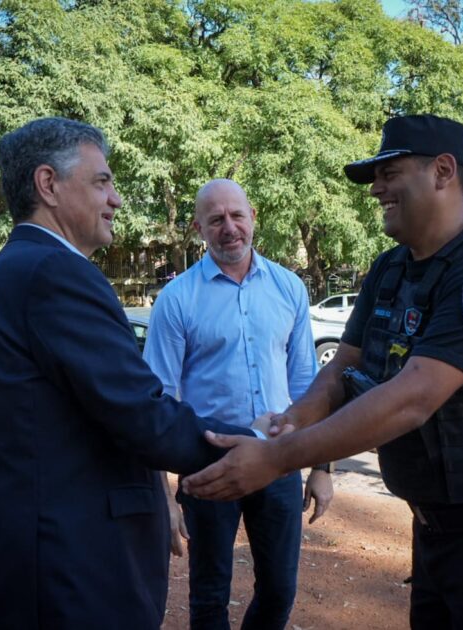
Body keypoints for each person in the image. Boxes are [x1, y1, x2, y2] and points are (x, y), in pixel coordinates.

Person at [182, 115, 463, 629]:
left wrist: (278, 458)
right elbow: (346, 367)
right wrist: (287, 423)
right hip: (435, 528)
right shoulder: (391, 270)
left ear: (442, 171)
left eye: (389, 172)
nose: (376, 189)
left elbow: (412, 398)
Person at [0, 118, 263, 630]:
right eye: (102, 181)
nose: (115, 199)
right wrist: (260, 445)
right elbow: (140, 412)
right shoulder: (54, 273)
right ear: (48, 185)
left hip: (37, 563)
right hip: (62, 575)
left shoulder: (21, 267)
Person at [143, 179, 333, 630]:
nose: (229, 227)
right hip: (207, 461)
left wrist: (322, 467)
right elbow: (156, 401)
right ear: (198, 229)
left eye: (237, 215)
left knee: (280, 588)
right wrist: (161, 497)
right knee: (210, 594)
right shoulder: (176, 299)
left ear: (253, 218)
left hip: (278, 455)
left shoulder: (289, 288)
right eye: (216, 219)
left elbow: (308, 384)